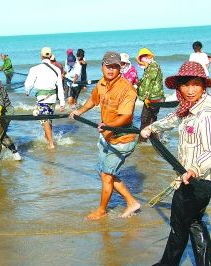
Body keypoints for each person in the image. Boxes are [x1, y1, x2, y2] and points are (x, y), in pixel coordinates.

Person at [140, 61, 211, 266]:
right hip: (196, 176)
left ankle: (167, 264)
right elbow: (173, 118)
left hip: (202, 179)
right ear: (179, 87)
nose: (190, 90)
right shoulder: (189, 106)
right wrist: (151, 128)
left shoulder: (208, 114)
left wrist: (194, 169)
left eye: (195, 84)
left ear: (203, 85)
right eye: (185, 85)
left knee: (179, 224)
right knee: (194, 221)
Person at [70, 51, 140, 220]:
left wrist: (109, 126)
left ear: (120, 68)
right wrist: (79, 111)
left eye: (115, 67)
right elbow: (93, 100)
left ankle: (102, 210)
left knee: (107, 176)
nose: (111, 70)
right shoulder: (101, 83)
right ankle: (132, 202)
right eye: (108, 66)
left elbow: (126, 117)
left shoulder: (127, 89)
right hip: (106, 136)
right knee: (104, 173)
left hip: (122, 139)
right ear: (102, 66)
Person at [24, 47, 66, 149]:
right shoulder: (56, 69)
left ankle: (51, 144)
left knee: (45, 119)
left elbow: (28, 84)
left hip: (42, 98)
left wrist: (27, 91)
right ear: (51, 56)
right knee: (48, 120)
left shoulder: (34, 69)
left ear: (40, 56)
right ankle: (48, 140)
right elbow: (60, 87)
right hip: (52, 98)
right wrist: (62, 102)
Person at [136, 48, 165, 142]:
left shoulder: (153, 66)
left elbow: (149, 83)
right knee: (151, 118)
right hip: (153, 98)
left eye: (142, 58)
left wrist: (145, 98)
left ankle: (142, 141)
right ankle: (156, 139)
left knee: (145, 119)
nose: (141, 61)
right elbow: (145, 82)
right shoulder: (150, 67)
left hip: (152, 98)